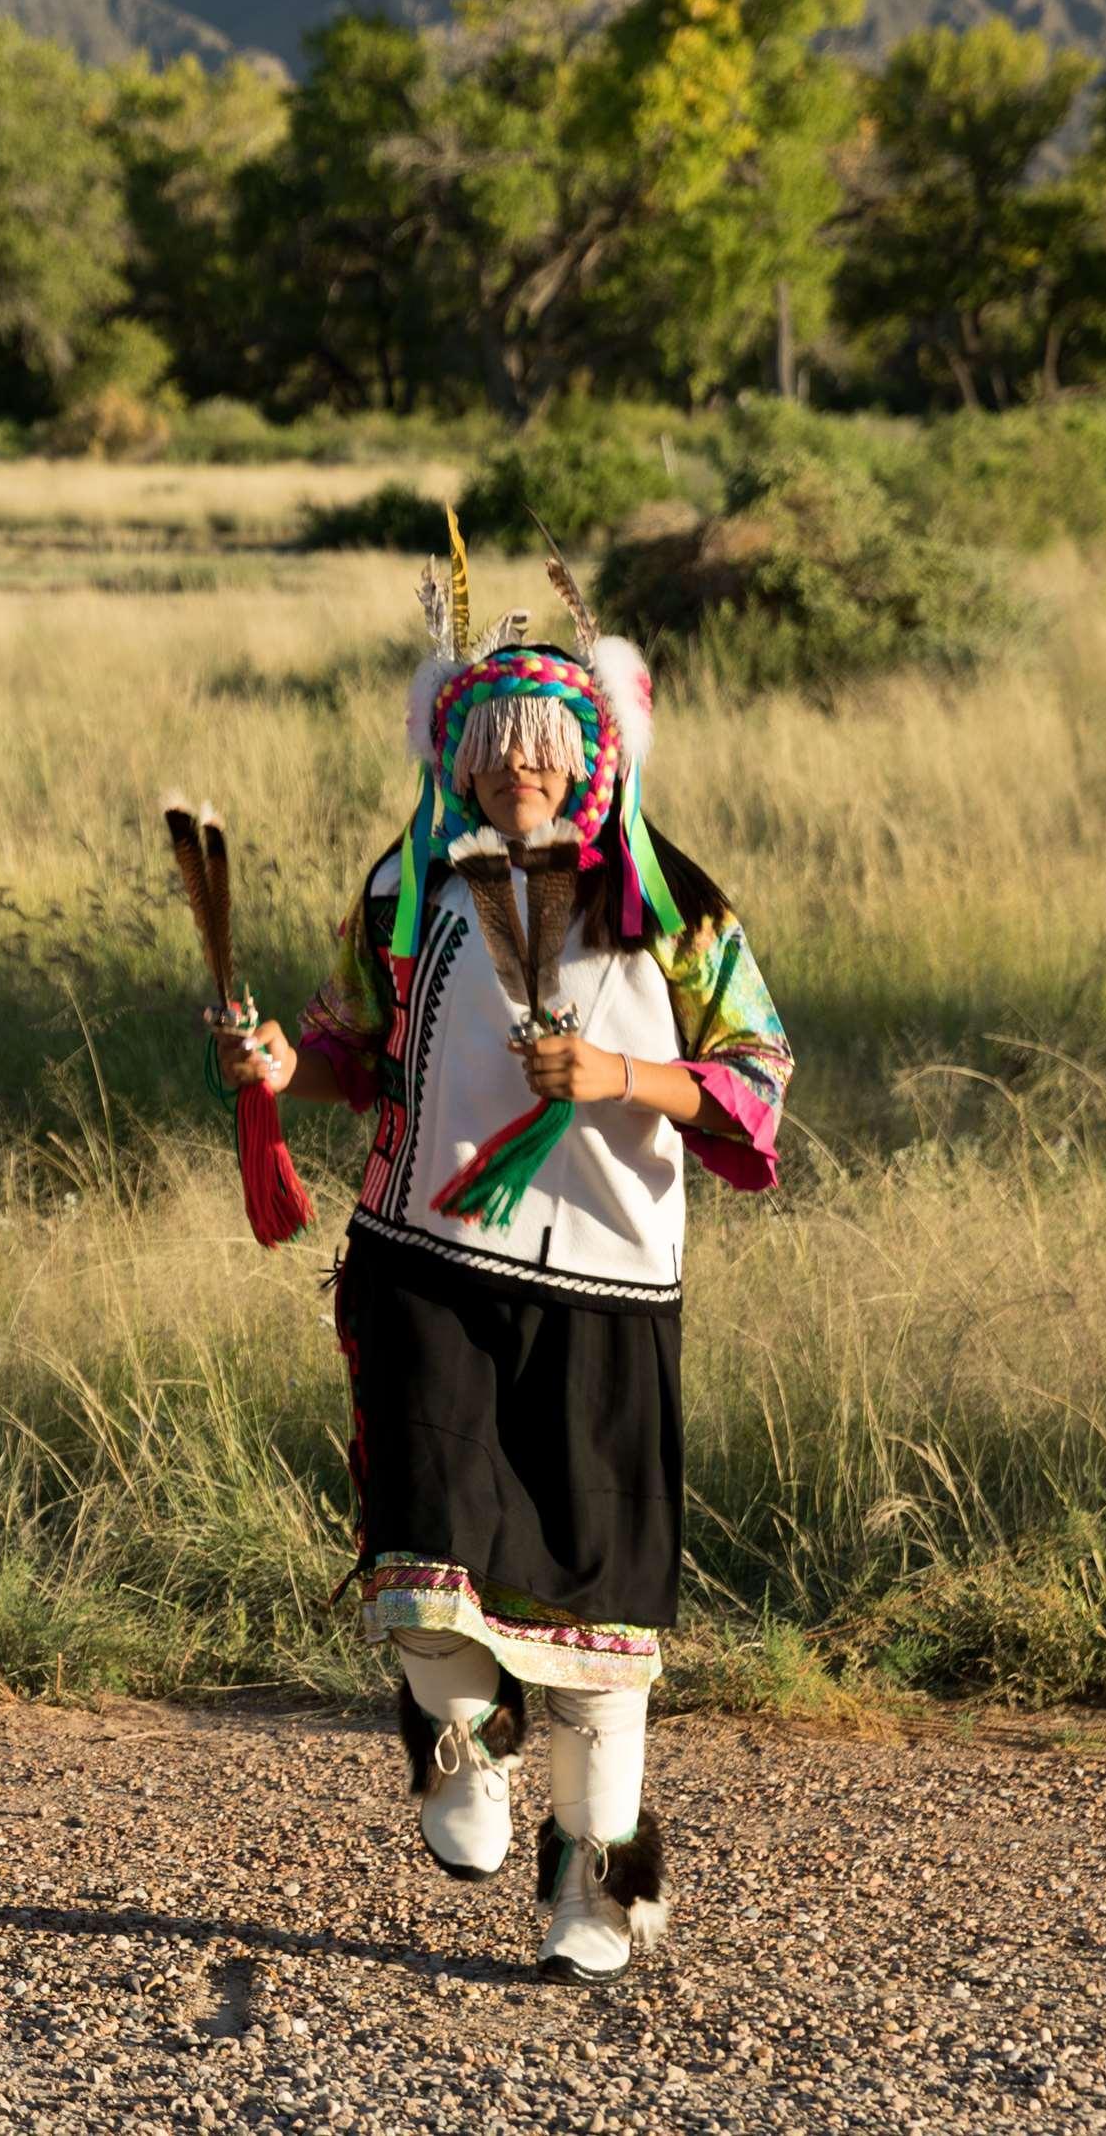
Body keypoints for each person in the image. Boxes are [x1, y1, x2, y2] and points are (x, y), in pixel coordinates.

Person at [218, 547, 791, 1985]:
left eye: (543, 750)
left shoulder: (675, 908)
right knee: (420, 1543)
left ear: (595, 756)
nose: (514, 777)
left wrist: (618, 1074)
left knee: (602, 1602)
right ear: (453, 754)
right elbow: (349, 1047)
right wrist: (285, 1064)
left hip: (609, 1283)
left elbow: (760, 1079)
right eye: (488, 750)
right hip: (424, 1253)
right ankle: (458, 1734)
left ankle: (601, 1875)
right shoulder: (408, 891)